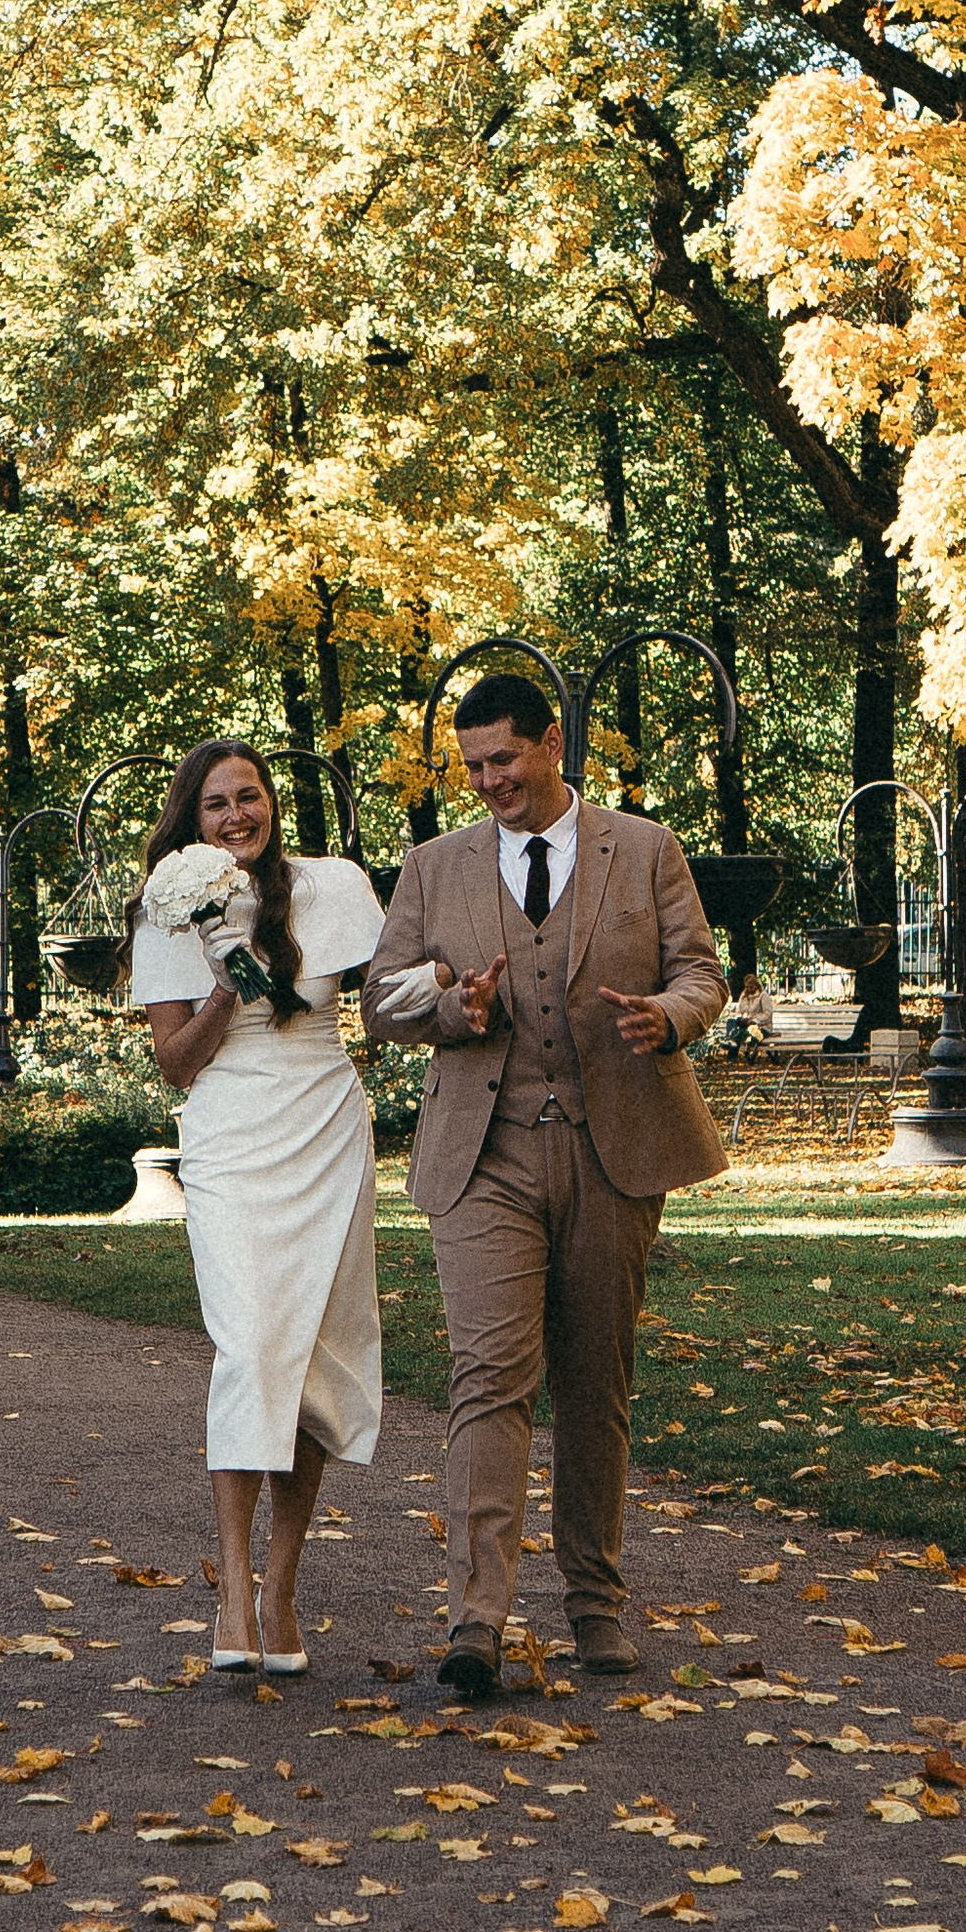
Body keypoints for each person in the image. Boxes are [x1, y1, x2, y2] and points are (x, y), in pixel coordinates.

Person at [362, 674, 729, 1699]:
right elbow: (383, 999)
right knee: (489, 1377)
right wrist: (449, 1006)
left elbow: (702, 970)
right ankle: (475, 1619)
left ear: (552, 744)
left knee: (593, 1384)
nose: (488, 782)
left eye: (504, 761)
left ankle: (594, 1606)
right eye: (473, 766)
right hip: (485, 1153)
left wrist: (670, 1013)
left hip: (614, 1147)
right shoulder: (436, 865)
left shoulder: (644, 848)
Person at [126, 739, 387, 1676]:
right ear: (190, 821)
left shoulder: (333, 885)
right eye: (216, 805)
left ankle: (282, 1591)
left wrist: (450, 990)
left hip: (322, 1123)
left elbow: (388, 1002)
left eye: (252, 797)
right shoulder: (168, 903)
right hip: (232, 1134)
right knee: (251, 1350)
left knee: (312, 1353)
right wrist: (219, 990)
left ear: (274, 803)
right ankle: (233, 1591)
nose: (238, 815)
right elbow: (175, 1062)